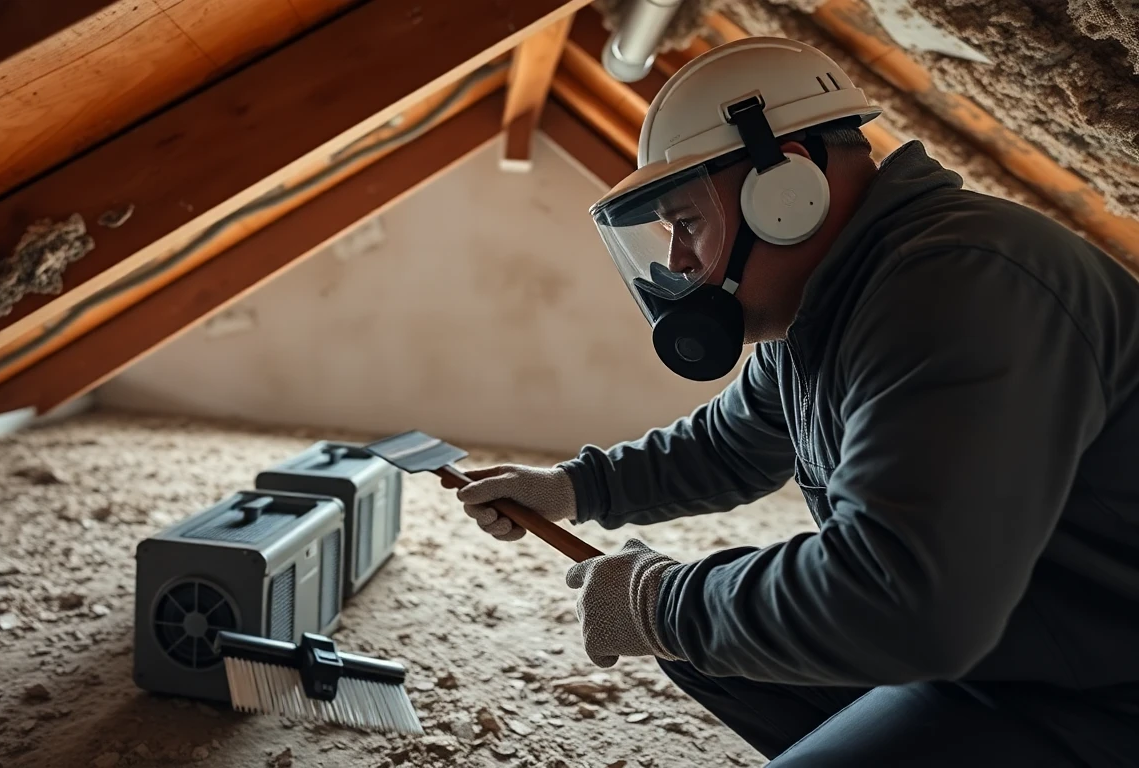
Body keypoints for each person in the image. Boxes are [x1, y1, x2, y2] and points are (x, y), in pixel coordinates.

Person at [448, 36, 1139, 766]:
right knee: (712, 645)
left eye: (687, 225)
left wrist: (667, 604)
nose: (678, 261)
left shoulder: (958, 289)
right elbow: (730, 445)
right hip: (1021, 644)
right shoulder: (835, 296)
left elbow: (900, 598)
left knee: (694, 619)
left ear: (785, 188)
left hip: (1102, 691)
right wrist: (572, 488)